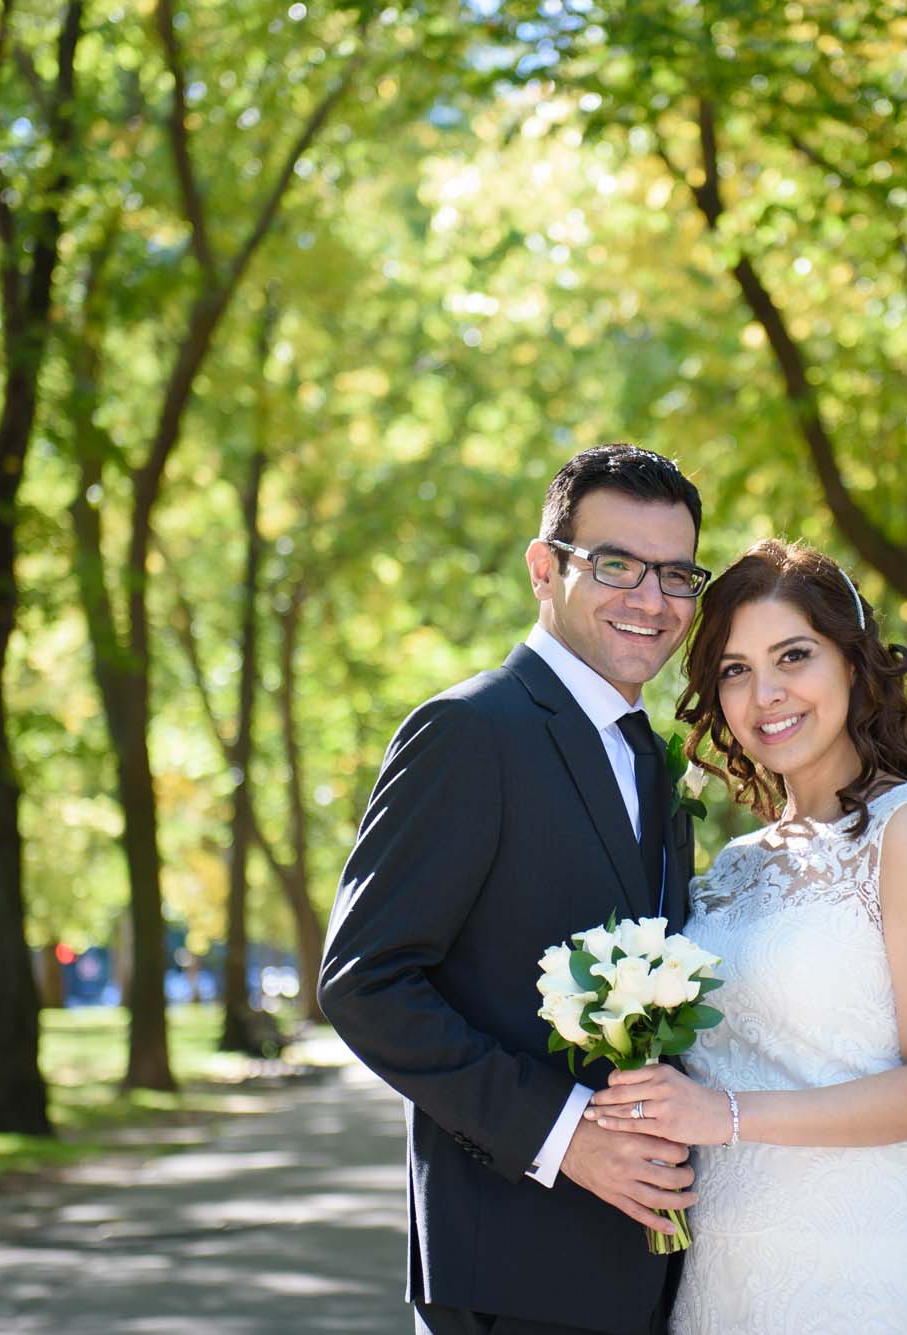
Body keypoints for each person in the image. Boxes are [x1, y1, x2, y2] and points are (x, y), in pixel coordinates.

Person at [320, 445, 712, 1335]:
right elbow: (364, 981)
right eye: (617, 564)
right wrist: (565, 1133)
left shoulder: (655, 759)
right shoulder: (468, 731)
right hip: (507, 1270)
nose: (651, 601)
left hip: (648, 1275)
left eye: (677, 574)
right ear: (546, 568)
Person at [582, 539, 907, 1334]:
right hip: (722, 1265)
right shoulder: (732, 865)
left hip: (864, 1265)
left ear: (852, 662)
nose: (764, 693)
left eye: (792, 655)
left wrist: (722, 1114)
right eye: (734, 669)